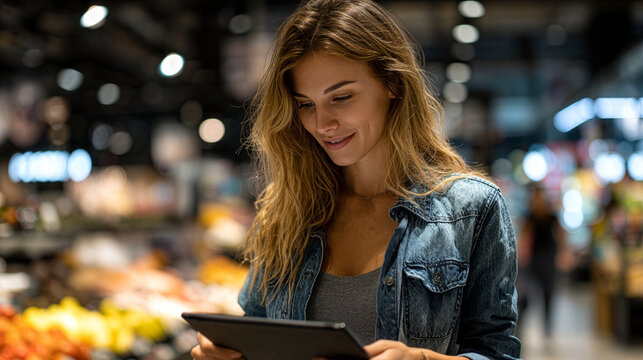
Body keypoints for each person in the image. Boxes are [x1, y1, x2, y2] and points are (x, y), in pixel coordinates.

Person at [192, 0, 521, 359]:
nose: (322, 124)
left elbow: (496, 350)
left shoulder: (471, 209)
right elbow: (257, 328)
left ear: (393, 83)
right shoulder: (287, 210)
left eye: (341, 97)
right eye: (306, 104)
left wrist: (423, 359)